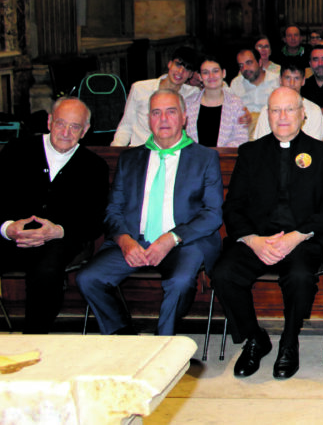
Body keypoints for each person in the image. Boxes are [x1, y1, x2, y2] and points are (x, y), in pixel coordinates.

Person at [211, 87, 323, 379]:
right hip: (258, 239)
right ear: (267, 115)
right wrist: (253, 241)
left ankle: (288, 341)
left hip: (302, 239)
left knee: (298, 277)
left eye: (289, 110)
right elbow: (233, 207)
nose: (282, 117)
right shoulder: (250, 153)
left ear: (303, 114)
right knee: (223, 273)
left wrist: (297, 236)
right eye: (275, 110)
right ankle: (255, 338)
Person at [77, 90, 224, 335]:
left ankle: (162, 343)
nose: (163, 119)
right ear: (149, 119)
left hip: (184, 242)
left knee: (179, 282)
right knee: (88, 278)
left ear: (184, 118)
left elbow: (212, 214)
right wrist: (125, 242)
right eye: (156, 112)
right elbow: (113, 210)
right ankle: (122, 336)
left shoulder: (205, 158)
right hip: (136, 240)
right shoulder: (130, 159)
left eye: (171, 112)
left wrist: (171, 238)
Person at [0, 97, 108, 333]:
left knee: (47, 270)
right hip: (11, 237)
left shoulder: (94, 166)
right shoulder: (17, 150)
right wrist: (7, 227)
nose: (66, 132)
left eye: (75, 126)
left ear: (85, 130)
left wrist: (58, 231)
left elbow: (96, 220)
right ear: (49, 121)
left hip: (62, 240)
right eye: (61, 124)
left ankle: (33, 339)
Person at [112, 46, 200, 146]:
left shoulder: (193, 94)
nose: (180, 71)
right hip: (140, 152)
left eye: (187, 69)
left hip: (172, 154)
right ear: (170, 64)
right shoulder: (140, 88)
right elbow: (126, 126)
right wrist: (116, 150)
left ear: (191, 74)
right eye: (178, 64)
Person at [184, 56, 250, 147]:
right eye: (205, 72)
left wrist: (216, 154)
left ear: (223, 73)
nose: (211, 76)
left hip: (225, 158)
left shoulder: (236, 104)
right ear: (200, 77)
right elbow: (181, 136)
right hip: (194, 159)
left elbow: (241, 138)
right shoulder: (188, 103)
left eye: (215, 71)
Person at [252, 62, 323, 141]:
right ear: (280, 80)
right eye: (287, 78)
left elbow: (314, 146)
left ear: (303, 81)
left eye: (296, 78)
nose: (291, 84)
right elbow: (261, 144)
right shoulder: (267, 110)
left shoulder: (314, 110)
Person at [231, 48, 280, 120]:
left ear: (260, 62)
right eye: (241, 65)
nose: (245, 68)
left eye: (249, 63)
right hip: (244, 127)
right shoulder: (236, 84)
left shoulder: (276, 81)